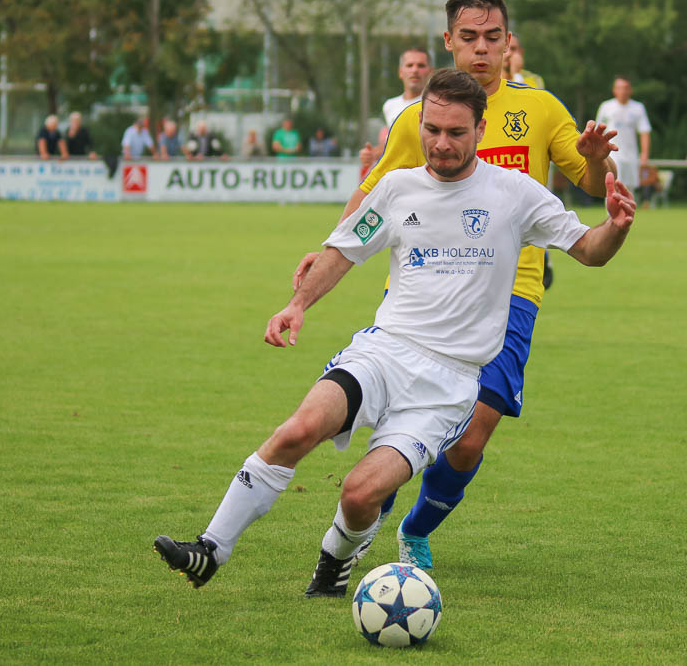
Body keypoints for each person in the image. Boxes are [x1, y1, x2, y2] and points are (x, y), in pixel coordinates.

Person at [154, 68, 637, 596]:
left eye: (456, 132)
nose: (441, 143)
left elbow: (589, 250)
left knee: (359, 495)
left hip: (448, 385)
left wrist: (614, 227)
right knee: (297, 431)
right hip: (383, 352)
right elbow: (343, 251)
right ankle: (210, 549)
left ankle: (335, 562)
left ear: (480, 130)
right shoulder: (396, 189)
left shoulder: (515, 193)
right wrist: (296, 304)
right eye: (432, 129)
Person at [293, 0, 618, 572]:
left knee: (470, 439)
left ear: (509, 40)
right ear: (449, 40)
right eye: (469, 36)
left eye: (493, 36)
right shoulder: (420, 117)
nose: (482, 48)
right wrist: (329, 248)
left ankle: (416, 529)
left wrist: (594, 164)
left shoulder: (540, 109)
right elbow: (373, 191)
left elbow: (592, 182)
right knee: (397, 430)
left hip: (511, 294)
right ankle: (361, 523)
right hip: (420, 292)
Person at [360, 47, 434, 178]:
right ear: (400, 72)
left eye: (421, 65)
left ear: (430, 72)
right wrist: (372, 154)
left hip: (427, 176)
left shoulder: (436, 104)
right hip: (397, 177)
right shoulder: (389, 105)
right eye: (409, 65)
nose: (415, 70)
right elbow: (391, 143)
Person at [595, 76, 652, 192]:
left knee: (629, 190)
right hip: (612, 155)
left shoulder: (638, 108)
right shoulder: (606, 107)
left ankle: (627, 205)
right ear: (614, 90)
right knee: (612, 187)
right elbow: (598, 132)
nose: (623, 91)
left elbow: (644, 131)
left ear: (630, 90)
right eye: (619, 88)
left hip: (631, 156)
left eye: (625, 88)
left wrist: (644, 154)